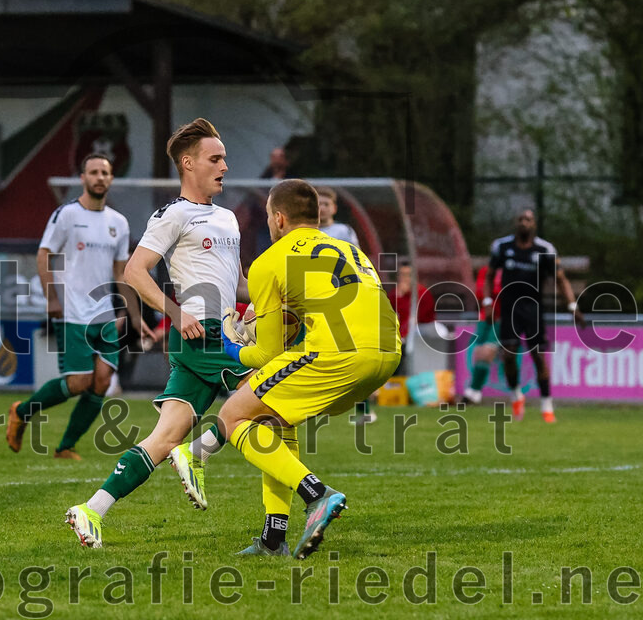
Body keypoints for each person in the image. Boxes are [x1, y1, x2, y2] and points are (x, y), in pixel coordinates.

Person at [64, 118, 251, 548]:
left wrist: (266, 297)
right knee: (271, 396)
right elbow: (134, 271)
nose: (225, 165)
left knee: (163, 439)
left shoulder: (227, 219)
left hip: (224, 331)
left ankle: (91, 509)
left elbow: (238, 282)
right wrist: (175, 310)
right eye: (215, 158)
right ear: (188, 164)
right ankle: (203, 457)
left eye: (224, 158)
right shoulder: (173, 214)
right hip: (202, 333)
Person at [219, 179, 400, 558]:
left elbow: (266, 353)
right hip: (388, 352)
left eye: (269, 216)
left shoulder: (268, 260)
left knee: (232, 417)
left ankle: (316, 495)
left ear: (279, 218)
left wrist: (232, 348)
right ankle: (273, 539)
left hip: (340, 353)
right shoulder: (351, 249)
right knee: (274, 419)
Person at [5, 153, 143, 460]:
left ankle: (65, 446)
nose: (99, 177)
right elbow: (44, 255)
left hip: (104, 313)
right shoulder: (66, 215)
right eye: (93, 172)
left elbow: (120, 272)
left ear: (111, 178)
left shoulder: (118, 223)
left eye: (105, 172)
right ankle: (23, 411)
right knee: (79, 382)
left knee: (103, 382)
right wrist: (51, 297)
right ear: (83, 178)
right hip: (72, 312)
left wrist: (130, 313)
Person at [486, 208, 584, 422]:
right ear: (515, 222)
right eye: (521, 219)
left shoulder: (545, 249)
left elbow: (561, 279)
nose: (524, 223)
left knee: (538, 357)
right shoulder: (502, 247)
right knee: (509, 356)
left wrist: (572, 306)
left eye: (528, 219)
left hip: (533, 309)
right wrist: (487, 302)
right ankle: (516, 396)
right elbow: (490, 274)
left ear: (534, 224)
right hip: (510, 307)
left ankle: (547, 405)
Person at [460, 264, 504, 404]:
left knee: (486, 352)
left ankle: (474, 390)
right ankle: (474, 391)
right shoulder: (486, 270)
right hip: (486, 317)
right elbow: (480, 292)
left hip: (502, 318)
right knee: (478, 353)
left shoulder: (511, 271)